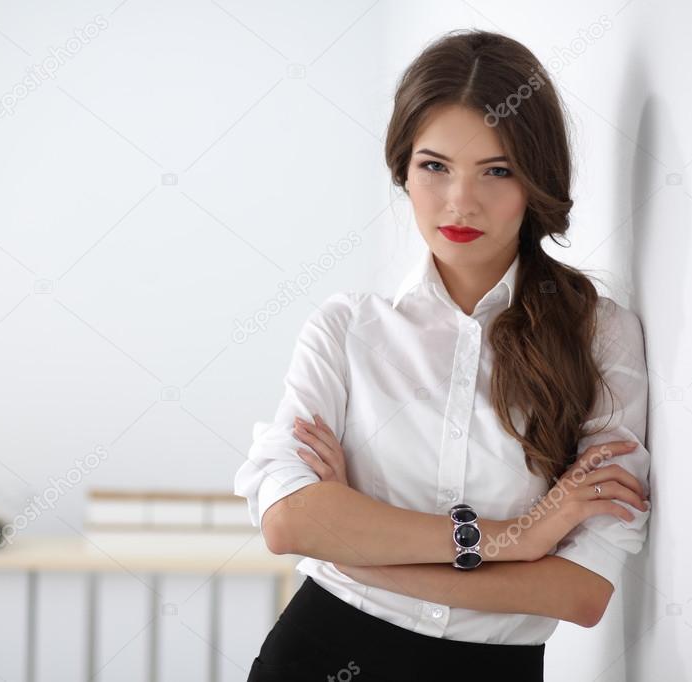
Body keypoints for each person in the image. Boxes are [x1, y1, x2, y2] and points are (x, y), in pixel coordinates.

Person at [233, 28, 652, 681]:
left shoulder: (599, 337)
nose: (460, 202)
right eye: (434, 166)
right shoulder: (344, 330)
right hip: (319, 653)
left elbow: (579, 592)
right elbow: (288, 523)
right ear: (401, 168)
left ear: (535, 181)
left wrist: (362, 549)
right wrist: (519, 539)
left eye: (496, 170)